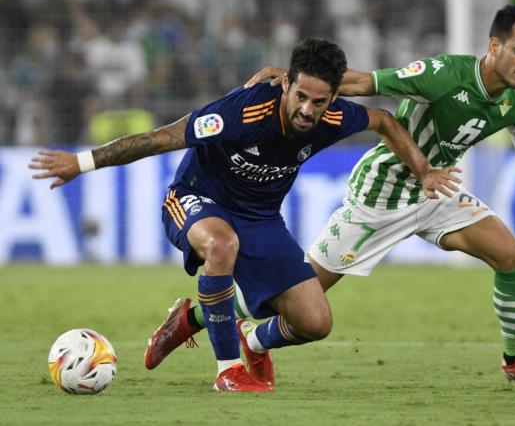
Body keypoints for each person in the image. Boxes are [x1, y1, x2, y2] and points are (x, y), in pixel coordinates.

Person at [149, 5, 515, 389]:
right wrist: (291, 80)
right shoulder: (446, 74)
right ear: (494, 46)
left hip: (438, 188)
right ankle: (203, 318)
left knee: (511, 256)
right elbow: (364, 83)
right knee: (297, 299)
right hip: (382, 194)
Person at [29, 38, 459, 392]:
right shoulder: (243, 112)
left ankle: (214, 328)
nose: (308, 109)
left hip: (261, 219)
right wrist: (82, 163)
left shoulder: (335, 117)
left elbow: (384, 120)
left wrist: (424, 171)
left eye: (320, 101)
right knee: (221, 244)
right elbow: (161, 138)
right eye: (301, 96)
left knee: (315, 321)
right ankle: (228, 371)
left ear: (334, 97)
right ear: (285, 84)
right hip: (195, 199)